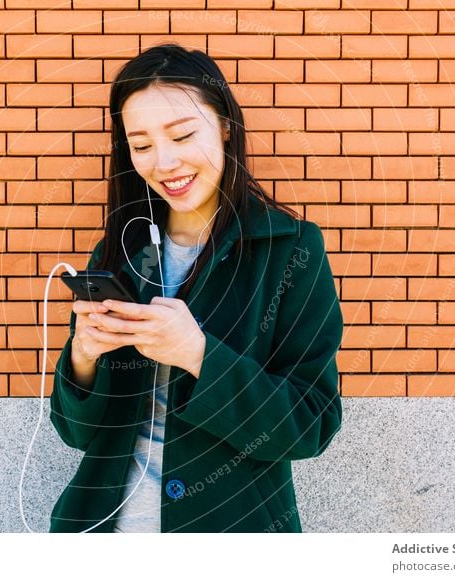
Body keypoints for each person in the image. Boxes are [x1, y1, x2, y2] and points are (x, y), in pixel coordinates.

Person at [49, 43, 343, 533]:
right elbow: (75, 432)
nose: (164, 163)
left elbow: (310, 425)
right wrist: (83, 357)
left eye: (183, 135)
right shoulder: (120, 251)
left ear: (226, 125)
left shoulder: (289, 250)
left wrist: (199, 354)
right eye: (140, 146)